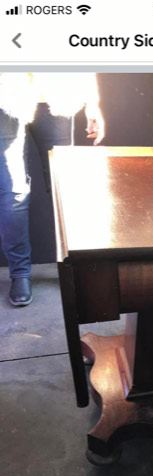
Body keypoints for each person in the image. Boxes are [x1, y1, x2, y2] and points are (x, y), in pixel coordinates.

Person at [0, 73, 105, 306]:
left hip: (55, 91)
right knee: (13, 193)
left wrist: (93, 103)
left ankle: (71, 268)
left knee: (63, 190)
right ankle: (20, 274)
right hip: (9, 92)